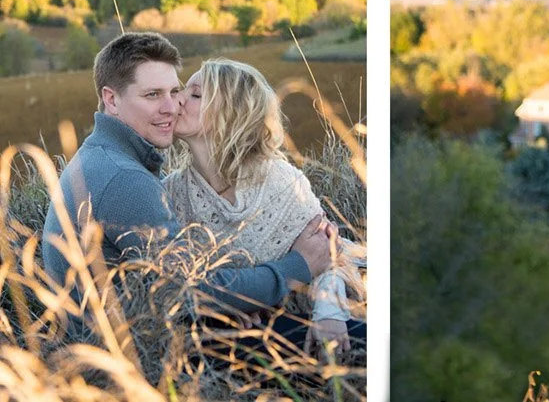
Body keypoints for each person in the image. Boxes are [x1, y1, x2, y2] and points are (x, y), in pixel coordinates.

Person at [41, 33, 331, 324]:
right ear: (111, 99)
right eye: (152, 94)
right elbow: (193, 289)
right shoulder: (124, 177)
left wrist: (230, 306)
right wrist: (299, 266)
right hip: (125, 352)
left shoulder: (105, 158)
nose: (172, 106)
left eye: (174, 91)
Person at [167, 58, 364, 355]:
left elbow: (330, 257)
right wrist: (233, 305)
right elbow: (183, 285)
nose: (178, 99)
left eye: (195, 95)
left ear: (231, 116)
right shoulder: (171, 194)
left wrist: (329, 312)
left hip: (307, 314)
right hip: (242, 333)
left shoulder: (282, 181)